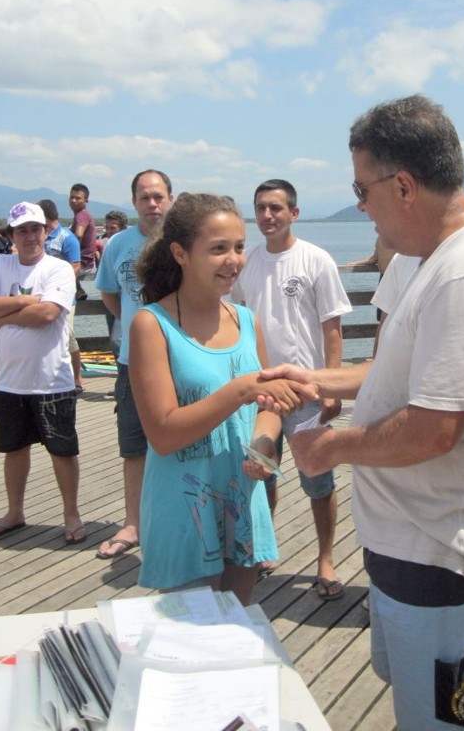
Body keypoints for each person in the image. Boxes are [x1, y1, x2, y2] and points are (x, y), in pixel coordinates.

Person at [259, 95, 464, 730]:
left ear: (406, 185)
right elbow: (398, 374)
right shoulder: (431, 258)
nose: (360, 205)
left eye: (362, 190)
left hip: (454, 565)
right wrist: (314, 377)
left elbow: (435, 427)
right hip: (413, 551)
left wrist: (330, 447)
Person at [129, 193, 307, 605]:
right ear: (180, 253)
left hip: (242, 500)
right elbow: (163, 434)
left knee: (239, 626)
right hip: (183, 506)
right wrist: (240, 390)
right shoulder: (151, 325)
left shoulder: (247, 321)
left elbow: (270, 406)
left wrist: (263, 446)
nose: (233, 260)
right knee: (191, 636)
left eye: (239, 247)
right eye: (218, 249)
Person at [232, 179, 352, 599]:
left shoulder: (316, 260)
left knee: (318, 479)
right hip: (262, 390)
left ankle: (326, 560)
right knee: (261, 474)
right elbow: (235, 318)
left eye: (276, 208)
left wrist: (331, 387)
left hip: (306, 391)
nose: (267, 216)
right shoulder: (246, 263)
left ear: (293, 213)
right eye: (261, 208)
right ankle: (263, 549)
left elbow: (332, 327)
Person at [0, 202, 85, 544]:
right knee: (14, 448)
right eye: (22, 230)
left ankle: (71, 514)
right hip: (9, 381)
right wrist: (26, 301)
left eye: (36, 229)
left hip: (52, 381)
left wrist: (3, 316)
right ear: (11, 235)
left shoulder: (59, 269)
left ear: (45, 231)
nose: (30, 236)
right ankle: (14, 512)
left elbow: (49, 315)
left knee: (63, 451)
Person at [94, 170, 174, 559]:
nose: (152, 204)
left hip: (178, 361)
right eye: (145, 198)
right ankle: (134, 523)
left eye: (159, 196)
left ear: (171, 199)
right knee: (133, 445)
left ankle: (179, 517)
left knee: (183, 442)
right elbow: (110, 293)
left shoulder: (183, 241)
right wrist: (131, 328)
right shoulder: (117, 245)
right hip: (131, 363)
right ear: (134, 203)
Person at [38, 199, 84, 393]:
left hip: (64, 298)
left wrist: (58, 283)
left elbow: (76, 264)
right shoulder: (40, 236)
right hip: (41, 298)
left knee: (68, 338)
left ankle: (76, 377)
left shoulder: (67, 237)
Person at [95, 210, 129, 357]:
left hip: (126, 299)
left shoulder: (129, 247)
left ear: (123, 228)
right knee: (114, 339)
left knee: (118, 339)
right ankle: (120, 369)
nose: (108, 231)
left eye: (113, 228)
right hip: (111, 297)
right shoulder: (107, 246)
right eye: (107, 228)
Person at [69, 183, 97, 300]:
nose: (74, 201)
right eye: (72, 197)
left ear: (86, 201)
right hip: (87, 260)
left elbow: (79, 234)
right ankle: (78, 291)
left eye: (78, 198)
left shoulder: (82, 215)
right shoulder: (82, 215)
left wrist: (70, 253)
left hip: (83, 261)